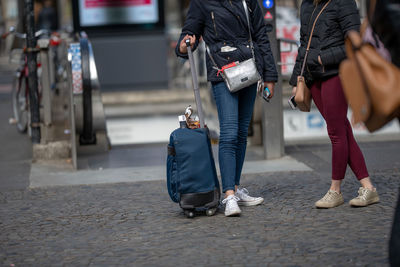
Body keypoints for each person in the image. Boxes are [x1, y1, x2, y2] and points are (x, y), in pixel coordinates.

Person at [176, 0, 278, 216]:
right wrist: (184, 45)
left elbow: (261, 35)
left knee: (241, 134)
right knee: (230, 133)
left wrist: (270, 75)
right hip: (222, 72)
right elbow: (189, 33)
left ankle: (236, 187)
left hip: (249, 69)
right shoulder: (202, 3)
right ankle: (229, 195)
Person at [290, 0, 379, 208]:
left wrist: (322, 59)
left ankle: (335, 190)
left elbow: (355, 45)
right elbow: (304, 43)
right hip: (313, 77)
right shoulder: (306, 5)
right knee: (343, 131)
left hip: (335, 74)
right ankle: (368, 187)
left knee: (336, 133)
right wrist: (296, 80)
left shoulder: (343, 2)